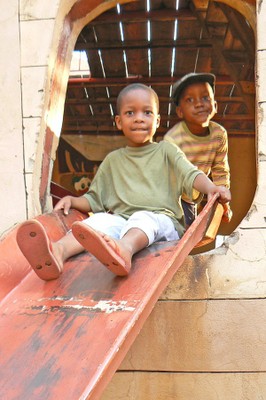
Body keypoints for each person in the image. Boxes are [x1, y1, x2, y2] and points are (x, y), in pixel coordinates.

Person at [16, 83, 231, 281]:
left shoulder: (166, 151)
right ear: (119, 121)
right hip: (122, 222)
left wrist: (212, 187)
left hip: (162, 223)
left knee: (142, 217)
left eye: (147, 112)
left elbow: (191, 175)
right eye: (130, 113)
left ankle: (124, 251)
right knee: (95, 222)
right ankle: (57, 253)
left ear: (157, 121)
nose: (139, 118)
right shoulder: (113, 160)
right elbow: (94, 199)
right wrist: (72, 200)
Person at [164, 72, 232, 227]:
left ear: (215, 106)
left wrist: (223, 201)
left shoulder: (219, 134)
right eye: (190, 100)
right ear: (180, 111)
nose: (199, 104)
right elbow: (167, 178)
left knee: (191, 234)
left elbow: (220, 170)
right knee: (174, 233)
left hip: (193, 197)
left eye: (205, 98)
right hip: (171, 198)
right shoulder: (173, 139)